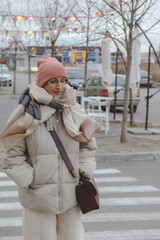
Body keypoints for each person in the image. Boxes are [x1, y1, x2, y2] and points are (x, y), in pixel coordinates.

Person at [0, 57, 100, 240]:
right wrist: (31, 180)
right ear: (42, 82)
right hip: (39, 200)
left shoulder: (73, 109)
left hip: (72, 197)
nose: (59, 86)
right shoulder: (27, 112)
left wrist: (84, 170)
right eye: (53, 81)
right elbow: (10, 153)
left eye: (63, 80)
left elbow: (88, 144)